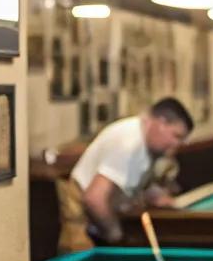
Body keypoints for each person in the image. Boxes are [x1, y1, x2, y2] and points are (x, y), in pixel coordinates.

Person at [68, 97, 194, 246]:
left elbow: (130, 180)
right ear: (161, 122)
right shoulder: (128, 143)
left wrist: (154, 194)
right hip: (83, 225)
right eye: (176, 136)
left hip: (100, 222)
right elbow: (94, 199)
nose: (177, 144)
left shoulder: (146, 142)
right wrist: (117, 237)